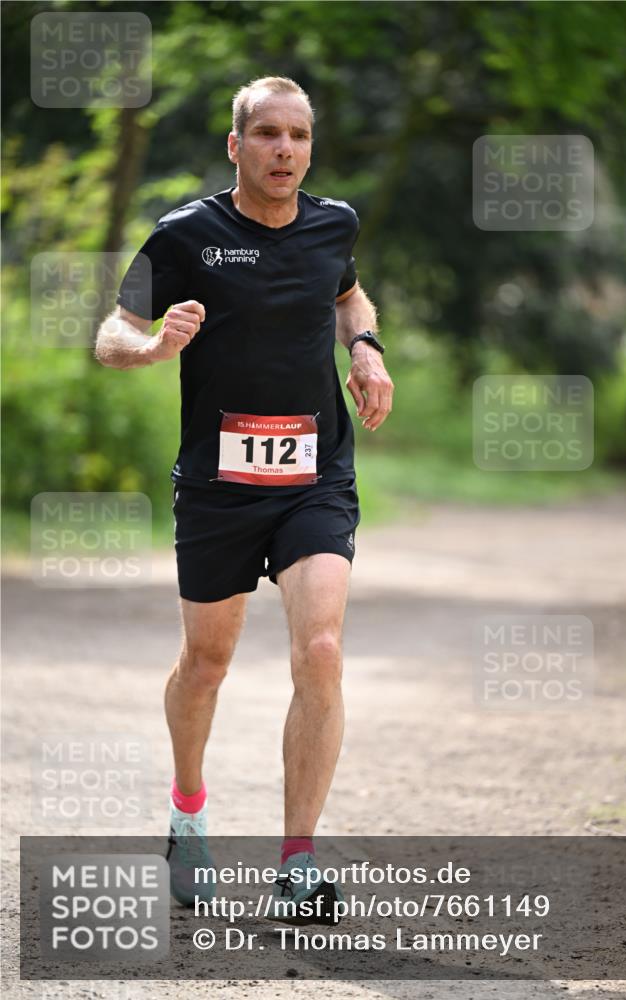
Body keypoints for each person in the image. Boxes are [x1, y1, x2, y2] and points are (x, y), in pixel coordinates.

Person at [94, 76, 394, 921]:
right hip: (220, 487)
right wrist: (151, 348)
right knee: (207, 665)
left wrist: (365, 348)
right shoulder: (186, 233)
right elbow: (111, 332)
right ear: (236, 145)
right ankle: (187, 811)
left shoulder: (334, 222)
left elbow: (345, 291)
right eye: (266, 134)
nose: (284, 150)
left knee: (323, 650)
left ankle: (296, 862)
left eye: (297, 136)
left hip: (314, 476)